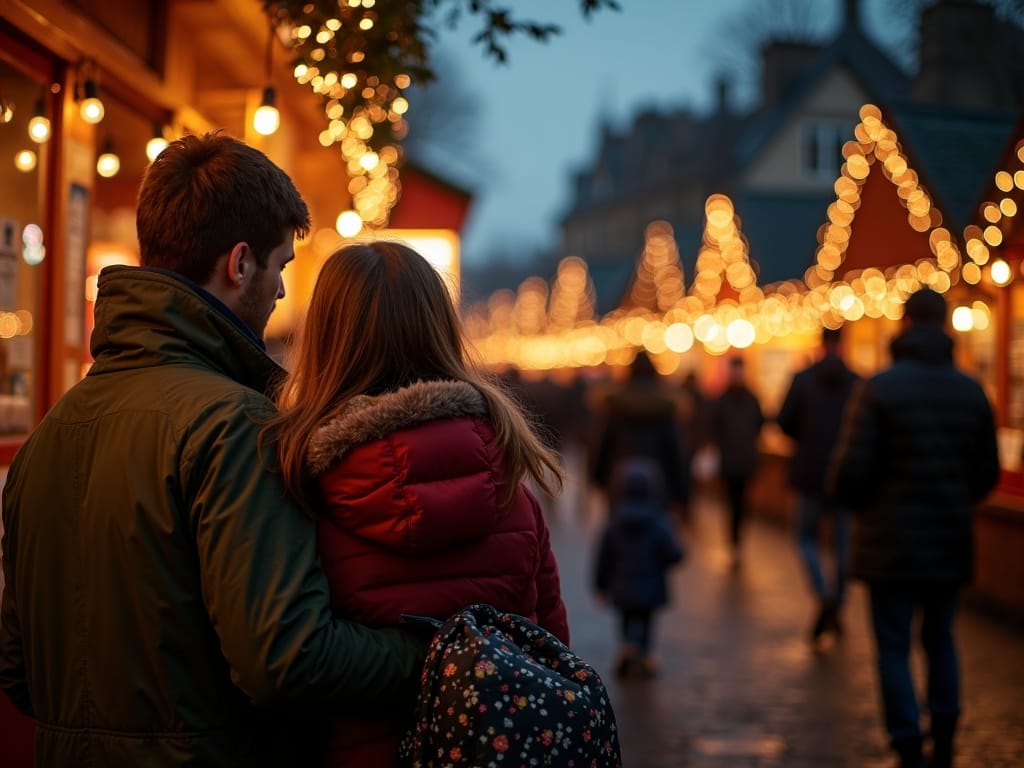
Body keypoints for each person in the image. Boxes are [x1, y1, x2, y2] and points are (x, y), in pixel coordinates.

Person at [0, 132, 424, 767]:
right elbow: (288, 660)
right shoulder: (235, 426)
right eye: (281, 266)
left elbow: (18, 669)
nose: (281, 292)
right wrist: (431, 655)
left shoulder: (50, 432)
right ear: (240, 263)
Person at [267, 241, 570, 767]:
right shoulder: (511, 491)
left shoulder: (293, 486)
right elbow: (552, 652)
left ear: (323, 340)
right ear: (441, 330)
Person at [829, 288, 1000, 768]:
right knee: (941, 638)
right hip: (949, 540)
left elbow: (848, 474)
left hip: (889, 543)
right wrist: (953, 499)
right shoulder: (971, 391)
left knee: (893, 645)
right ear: (944, 324)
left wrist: (867, 506)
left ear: (904, 324)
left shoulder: (879, 388)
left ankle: (907, 741)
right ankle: (944, 734)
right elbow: (986, 473)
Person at [776, 326, 860, 645]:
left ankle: (823, 595)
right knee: (843, 547)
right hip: (845, 475)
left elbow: (784, 422)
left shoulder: (803, 380)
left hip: (809, 473)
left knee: (805, 539)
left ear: (821, 343)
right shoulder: (857, 382)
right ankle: (836, 603)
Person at [594, 457, 684, 678]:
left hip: (622, 587)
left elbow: (603, 558)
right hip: (651, 588)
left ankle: (627, 646)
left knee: (626, 618)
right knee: (646, 620)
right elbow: (674, 554)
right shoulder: (659, 522)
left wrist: (600, 585)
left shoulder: (614, 523)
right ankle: (644, 653)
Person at [590, 352, 688, 521]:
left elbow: (605, 444)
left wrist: (598, 478)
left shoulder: (616, 405)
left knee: (621, 527)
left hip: (620, 480)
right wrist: (681, 493)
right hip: (658, 482)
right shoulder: (665, 407)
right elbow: (674, 451)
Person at [710, 356, 764, 568]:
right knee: (732, 503)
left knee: (742, 503)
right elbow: (714, 428)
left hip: (746, 460)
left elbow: (759, 424)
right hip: (730, 461)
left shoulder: (752, 399)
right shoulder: (723, 400)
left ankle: (737, 541)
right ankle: (734, 541)